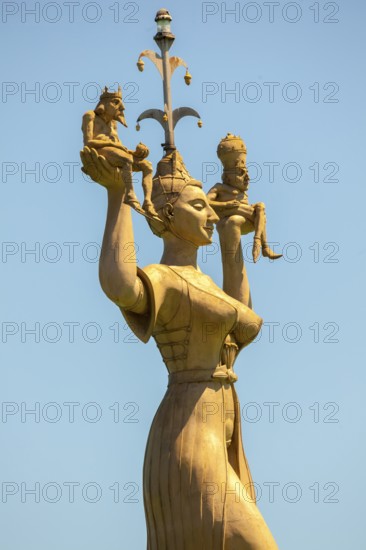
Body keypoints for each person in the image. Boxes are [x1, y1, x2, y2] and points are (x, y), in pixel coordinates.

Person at [80, 145, 279, 550]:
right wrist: (118, 195)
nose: (209, 214)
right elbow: (120, 287)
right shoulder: (165, 278)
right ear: (168, 214)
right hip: (188, 433)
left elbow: (244, 323)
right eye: (200, 206)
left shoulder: (204, 283)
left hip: (222, 432)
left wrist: (230, 236)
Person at [82, 86, 157, 216]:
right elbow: (88, 142)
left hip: (115, 153)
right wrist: (112, 145)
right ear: (104, 103)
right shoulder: (90, 116)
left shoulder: (113, 123)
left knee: (147, 166)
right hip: (100, 150)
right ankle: (130, 194)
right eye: (115, 102)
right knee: (126, 159)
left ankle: (148, 202)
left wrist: (135, 153)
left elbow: (119, 146)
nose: (122, 107)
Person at [207, 133, 282, 263]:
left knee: (261, 206)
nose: (247, 178)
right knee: (259, 213)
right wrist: (226, 205)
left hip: (247, 219)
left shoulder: (242, 192)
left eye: (247, 173)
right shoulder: (220, 188)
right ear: (228, 177)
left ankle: (260, 243)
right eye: (241, 173)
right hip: (226, 215)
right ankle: (263, 246)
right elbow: (205, 201)